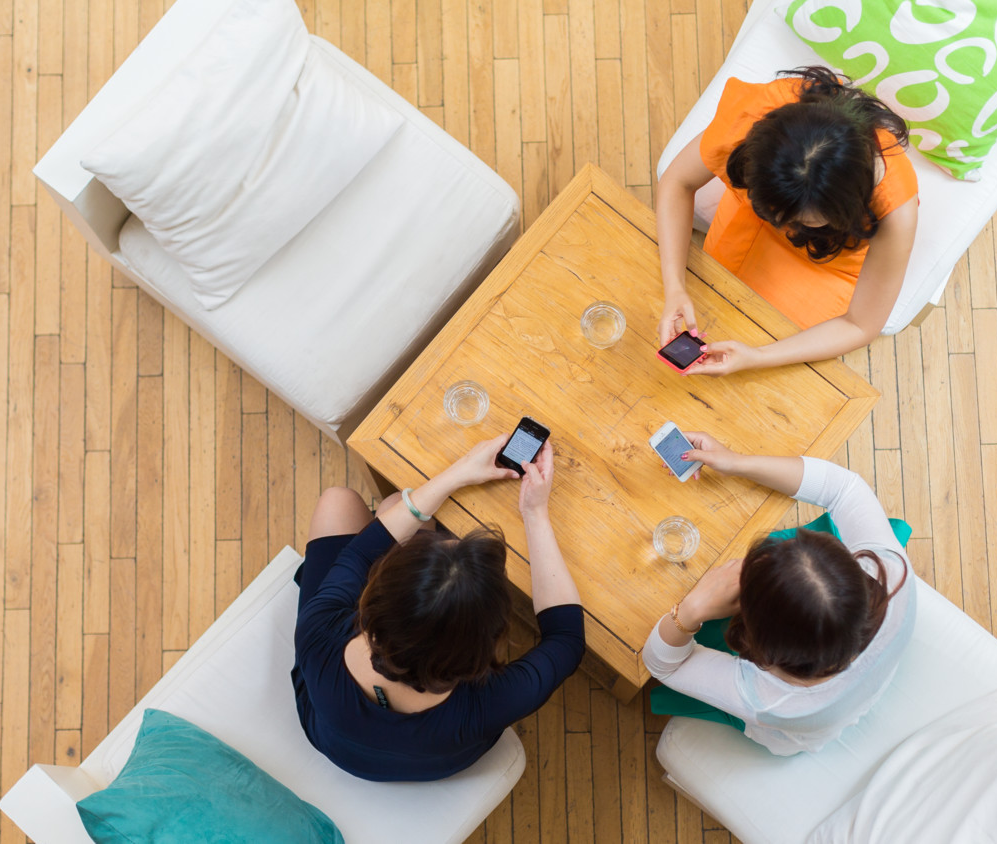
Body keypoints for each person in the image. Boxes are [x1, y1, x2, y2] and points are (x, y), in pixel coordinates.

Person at [292, 437, 584, 781]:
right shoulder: (488, 704)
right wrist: (534, 513)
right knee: (394, 509)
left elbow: (358, 554)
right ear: (483, 650)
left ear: (367, 599)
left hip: (335, 740)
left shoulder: (321, 629)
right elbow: (566, 639)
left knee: (349, 503)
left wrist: (457, 473)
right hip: (437, 756)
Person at [642, 432, 914, 755]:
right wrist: (736, 462)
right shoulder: (893, 574)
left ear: (758, 638)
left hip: (791, 730)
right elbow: (845, 487)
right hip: (860, 676)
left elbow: (663, 665)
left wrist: (693, 609)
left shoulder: (770, 697)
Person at [655, 67, 919, 375]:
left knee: (772, 347)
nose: (784, 227)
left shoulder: (895, 210)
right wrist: (674, 287)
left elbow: (860, 325)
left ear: (845, 209)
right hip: (747, 225)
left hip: (828, 266)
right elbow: (678, 181)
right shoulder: (761, 115)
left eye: (801, 218)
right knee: (707, 299)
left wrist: (757, 357)